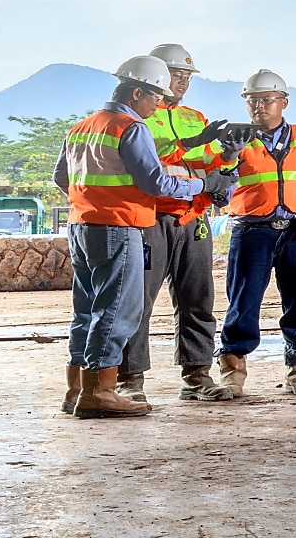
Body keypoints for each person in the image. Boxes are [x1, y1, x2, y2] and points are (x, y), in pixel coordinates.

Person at [53, 55, 237, 419]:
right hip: (120, 227)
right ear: (137, 92)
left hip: (82, 226)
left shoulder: (81, 127)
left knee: (86, 311)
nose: (159, 103)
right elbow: (155, 181)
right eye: (155, 95)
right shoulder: (130, 126)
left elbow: (62, 178)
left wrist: (93, 200)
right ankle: (102, 392)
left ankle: (76, 390)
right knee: (119, 310)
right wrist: (204, 184)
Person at [115, 43, 236, 404]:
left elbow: (209, 165)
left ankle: (197, 375)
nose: (182, 81)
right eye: (175, 75)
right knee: (138, 302)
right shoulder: (137, 116)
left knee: (198, 300)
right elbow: (151, 161)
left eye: (186, 76)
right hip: (149, 218)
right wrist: (190, 143)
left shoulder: (195, 117)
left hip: (193, 218)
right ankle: (130, 381)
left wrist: (228, 158)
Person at [215, 68, 296, 397]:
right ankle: (233, 371)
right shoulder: (236, 140)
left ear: (283, 102)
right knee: (243, 302)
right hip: (252, 231)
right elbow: (220, 186)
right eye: (252, 100)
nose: (259, 106)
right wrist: (227, 156)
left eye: (266, 99)